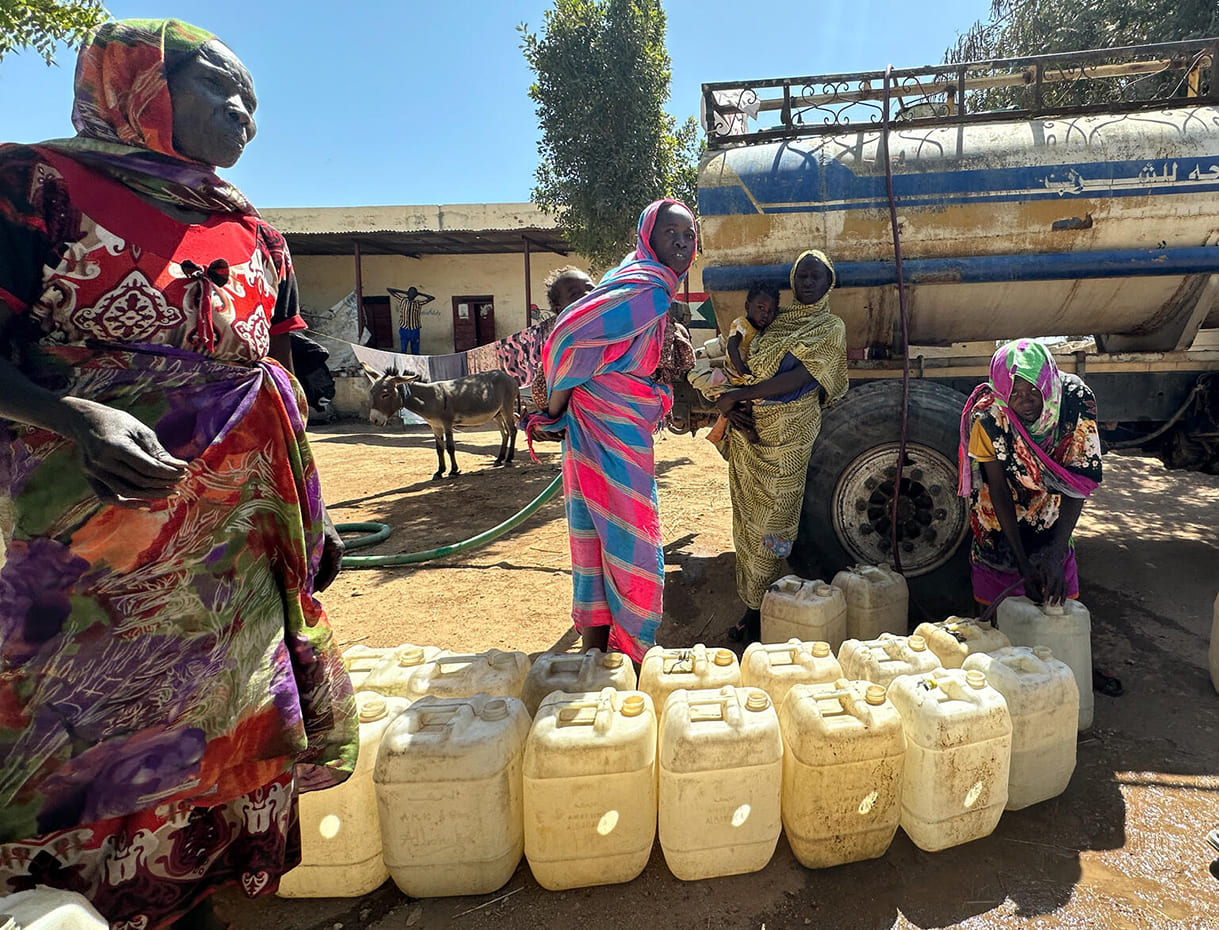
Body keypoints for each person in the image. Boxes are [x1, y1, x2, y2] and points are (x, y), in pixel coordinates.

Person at [0, 20, 356, 930]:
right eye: (218, 85)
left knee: (219, 745)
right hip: (85, 570)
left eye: (254, 99)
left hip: (230, 573)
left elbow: (277, 376)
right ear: (137, 80)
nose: (243, 111)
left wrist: (311, 519)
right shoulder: (35, 188)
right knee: (77, 755)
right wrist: (70, 415)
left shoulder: (255, 236)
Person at [521, 199, 697, 662]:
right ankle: (634, 653)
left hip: (607, 424)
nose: (681, 241)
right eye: (670, 232)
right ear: (647, 237)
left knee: (594, 533)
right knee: (631, 537)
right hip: (606, 422)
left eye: (688, 233)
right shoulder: (648, 289)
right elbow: (568, 337)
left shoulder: (638, 279)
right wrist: (555, 406)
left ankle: (597, 650)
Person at [716, 250, 849, 644]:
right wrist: (735, 402)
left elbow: (799, 379)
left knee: (776, 518)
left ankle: (763, 607)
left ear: (829, 284)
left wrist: (744, 395)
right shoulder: (775, 319)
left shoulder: (830, 326)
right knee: (747, 519)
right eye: (802, 276)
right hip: (749, 431)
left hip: (789, 437)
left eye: (816, 277)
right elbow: (741, 361)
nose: (807, 283)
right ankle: (755, 605)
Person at [957, 339, 1103, 609]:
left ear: (1048, 382)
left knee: (1056, 611)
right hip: (999, 519)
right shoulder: (988, 419)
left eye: (1034, 389)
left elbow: (1077, 479)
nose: (1026, 402)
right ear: (1002, 394)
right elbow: (997, 490)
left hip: (1048, 510)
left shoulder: (1074, 403)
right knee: (1000, 621)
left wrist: (1055, 555)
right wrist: (1022, 563)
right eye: (1014, 394)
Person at [708, 281, 780, 444]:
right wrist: (741, 369)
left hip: (746, 375)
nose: (765, 315)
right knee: (744, 399)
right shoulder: (742, 323)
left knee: (749, 402)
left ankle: (747, 428)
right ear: (748, 306)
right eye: (761, 308)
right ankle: (745, 430)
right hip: (735, 373)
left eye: (770, 311)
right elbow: (732, 346)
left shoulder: (761, 331)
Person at [387, 285, 434, 354]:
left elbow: (431, 298)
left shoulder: (418, 303)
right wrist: (404, 292)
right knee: (403, 350)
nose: (412, 294)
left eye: (414, 293)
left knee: (415, 351)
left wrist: (419, 294)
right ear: (408, 293)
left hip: (415, 330)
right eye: (411, 292)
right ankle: (403, 363)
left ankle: (415, 363)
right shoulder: (402, 300)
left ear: (416, 295)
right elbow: (389, 289)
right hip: (404, 329)